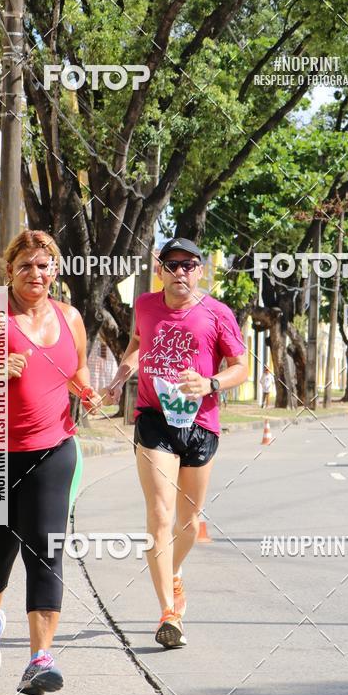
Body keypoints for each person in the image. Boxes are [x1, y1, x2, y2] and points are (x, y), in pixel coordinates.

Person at [0, 230, 103, 695]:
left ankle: (39, 659)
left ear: (55, 271)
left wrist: (87, 394)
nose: (36, 273)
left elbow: (75, 372)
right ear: (10, 270)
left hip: (54, 448)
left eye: (44, 265)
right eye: (26, 265)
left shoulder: (70, 317)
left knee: (46, 550)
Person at [102, 237, 248, 648]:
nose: (180, 271)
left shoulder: (218, 313)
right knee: (160, 515)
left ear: (200, 270)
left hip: (201, 423)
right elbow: (136, 343)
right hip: (153, 421)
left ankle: (174, 572)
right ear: (160, 269)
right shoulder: (146, 306)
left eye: (189, 264)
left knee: (188, 522)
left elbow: (241, 366)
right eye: (172, 264)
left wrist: (210, 383)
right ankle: (168, 612)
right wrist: (122, 374)